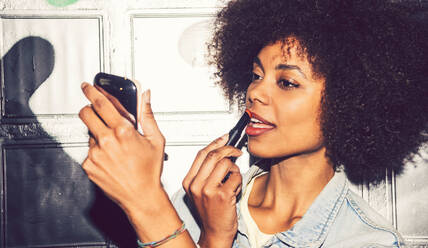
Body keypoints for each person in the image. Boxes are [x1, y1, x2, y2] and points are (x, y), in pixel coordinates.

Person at [79, 0, 428, 247]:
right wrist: (214, 237)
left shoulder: (366, 241)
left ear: (352, 102)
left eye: (287, 82)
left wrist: (147, 204)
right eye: (256, 74)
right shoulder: (198, 201)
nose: (255, 91)